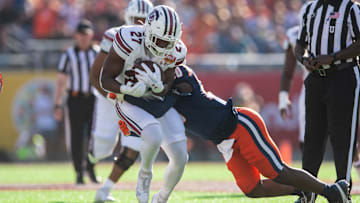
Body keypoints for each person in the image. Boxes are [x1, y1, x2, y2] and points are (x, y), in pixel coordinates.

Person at [124, 64, 352, 203]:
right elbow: (158, 105)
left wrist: (128, 94)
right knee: (253, 190)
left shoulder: (182, 78)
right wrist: (132, 93)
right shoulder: (170, 88)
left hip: (240, 126)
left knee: (278, 172)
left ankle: (332, 191)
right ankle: (305, 191)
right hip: (225, 141)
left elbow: (162, 103)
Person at [100, 5, 188, 203]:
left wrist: (159, 88)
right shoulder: (128, 38)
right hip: (128, 99)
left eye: (169, 42)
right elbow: (104, 79)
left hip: (155, 101)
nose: (165, 46)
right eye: (160, 40)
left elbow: (168, 83)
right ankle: (145, 174)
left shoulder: (177, 49)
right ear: (148, 30)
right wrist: (124, 89)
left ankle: (162, 198)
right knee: (153, 135)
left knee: (181, 156)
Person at [295, 0, 360, 201]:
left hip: (343, 74)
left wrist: (333, 56)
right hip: (316, 77)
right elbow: (300, 45)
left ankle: (343, 188)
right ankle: (308, 192)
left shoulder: (351, 9)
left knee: (342, 136)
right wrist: (304, 59)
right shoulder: (310, 9)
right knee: (312, 137)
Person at [88, 0, 153, 202]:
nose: (141, 24)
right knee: (104, 147)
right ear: (128, 18)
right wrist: (114, 95)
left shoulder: (155, 40)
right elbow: (95, 75)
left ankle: (104, 191)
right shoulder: (115, 35)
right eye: (137, 20)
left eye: (145, 20)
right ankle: (90, 156)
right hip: (110, 94)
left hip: (133, 98)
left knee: (133, 147)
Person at [53, 19, 99, 184]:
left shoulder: (97, 53)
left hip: (93, 99)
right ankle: (79, 172)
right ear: (76, 36)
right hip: (75, 98)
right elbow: (61, 80)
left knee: (94, 137)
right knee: (76, 137)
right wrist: (57, 103)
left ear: (91, 35)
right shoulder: (69, 55)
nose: (84, 38)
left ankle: (92, 170)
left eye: (86, 35)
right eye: (81, 35)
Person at [278, 26, 308, 152]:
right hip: (310, 87)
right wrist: (283, 97)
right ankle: (309, 171)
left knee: (344, 134)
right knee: (306, 138)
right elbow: (288, 70)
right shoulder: (294, 34)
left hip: (341, 83)